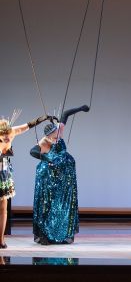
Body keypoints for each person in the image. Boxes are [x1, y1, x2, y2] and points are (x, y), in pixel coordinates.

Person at [30, 105, 89, 245]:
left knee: (62, 204)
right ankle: (45, 235)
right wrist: (47, 158)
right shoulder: (44, 141)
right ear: (48, 135)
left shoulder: (58, 131)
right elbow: (33, 151)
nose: (57, 135)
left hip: (64, 177)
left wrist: (81, 108)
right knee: (48, 203)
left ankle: (61, 234)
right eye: (54, 134)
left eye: (57, 132)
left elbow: (65, 113)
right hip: (49, 176)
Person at [0, 111, 54, 249]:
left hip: (3, 174)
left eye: (8, 136)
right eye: (3, 137)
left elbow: (28, 126)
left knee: (3, 209)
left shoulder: (11, 132)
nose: (7, 138)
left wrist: (43, 118)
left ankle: (1, 239)